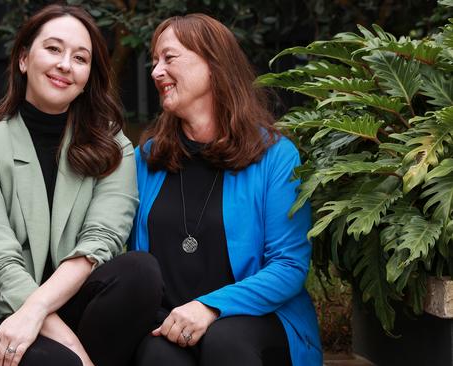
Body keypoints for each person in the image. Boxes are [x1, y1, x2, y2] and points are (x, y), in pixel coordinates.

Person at [0, 5, 162, 366]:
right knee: (59, 362)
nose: (65, 64)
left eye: (80, 57)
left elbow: (101, 242)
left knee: (140, 272)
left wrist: (39, 314)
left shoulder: (113, 148)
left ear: (88, 76)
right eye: (53, 49)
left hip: (66, 305)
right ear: (23, 59)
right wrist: (74, 351)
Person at [129, 14, 322, 366]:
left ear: (214, 64)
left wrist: (209, 307)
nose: (156, 72)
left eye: (169, 58)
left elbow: (289, 265)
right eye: (154, 61)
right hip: (168, 325)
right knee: (158, 356)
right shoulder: (147, 159)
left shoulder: (275, 156)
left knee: (225, 341)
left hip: (256, 320)